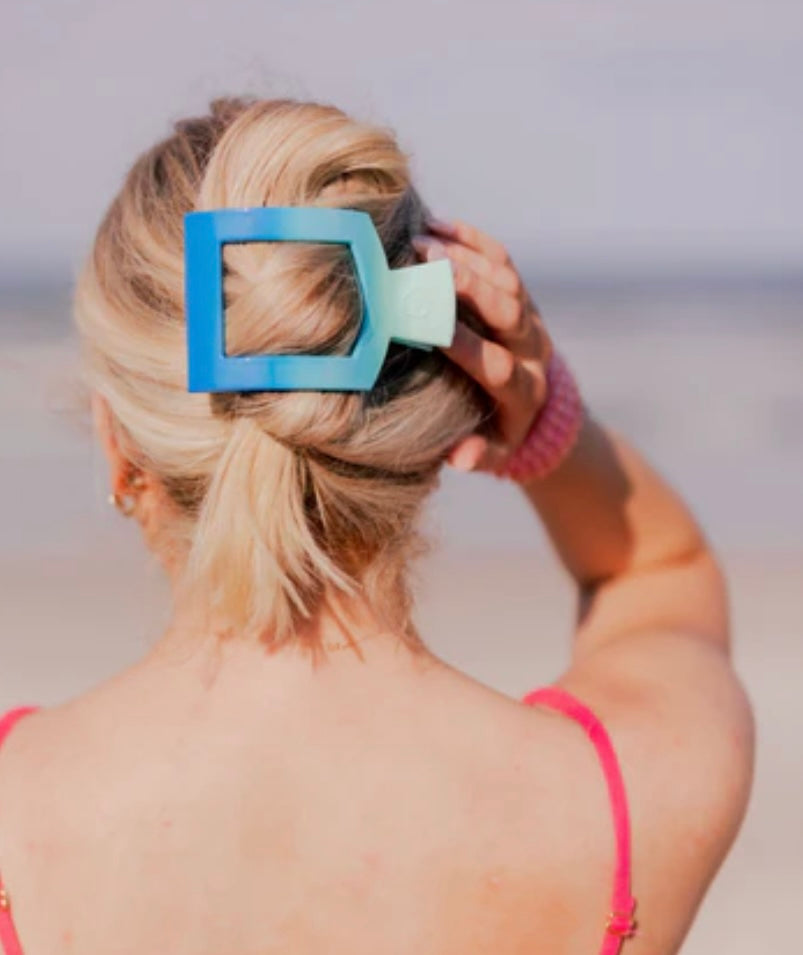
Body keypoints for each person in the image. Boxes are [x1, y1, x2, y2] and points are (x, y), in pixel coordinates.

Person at [0, 97, 754, 955]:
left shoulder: (14, 820)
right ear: (441, 416)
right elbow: (658, 570)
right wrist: (548, 424)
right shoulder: (627, 795)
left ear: (118, 445)